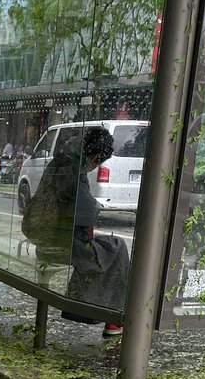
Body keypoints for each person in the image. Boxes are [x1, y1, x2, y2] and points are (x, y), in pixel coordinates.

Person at [21, 126, 128, 338]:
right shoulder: (74, 171)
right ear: (96, 157)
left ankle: (98, 311)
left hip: (46, 241)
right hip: (61, 245)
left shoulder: (58, 162)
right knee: (117, 248)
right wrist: (96, 208)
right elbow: (85, 213)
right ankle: (110, 317)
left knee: (102, 249)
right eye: (99, 162)